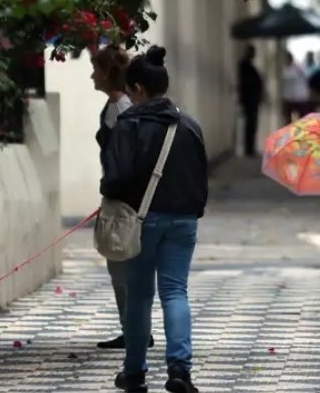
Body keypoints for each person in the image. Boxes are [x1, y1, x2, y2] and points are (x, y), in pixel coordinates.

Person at [101, 46, 208, 393]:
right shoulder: (189, 125)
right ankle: (179, 369)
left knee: (140, 295)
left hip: (142, 219)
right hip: (183, 219)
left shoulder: (128, 124)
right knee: (176, 291)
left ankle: (134, 371)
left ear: (136, 89)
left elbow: (115, 177)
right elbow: (201, 177)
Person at [91, 45, 154, 351]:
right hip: (124, 193)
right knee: (123, 265)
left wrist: (113, 190)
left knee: (121, 263)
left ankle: (136, 331)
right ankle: (134, 328)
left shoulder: (120, 107)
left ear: (107, 74)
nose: (92, 76)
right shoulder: (119, 104)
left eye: (96, 69)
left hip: (124, 196)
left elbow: (125, 157)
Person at [236, 45, 264, 158]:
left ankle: (250, 148)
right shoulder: (245, 66)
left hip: (252, 100)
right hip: (249, 100)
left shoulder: (249, 67)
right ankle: (249, 148)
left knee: (251, 124)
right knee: (250, 124)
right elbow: (245, 84)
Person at [281, 53, 311, 124]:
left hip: (300, 98)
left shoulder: (299, 67)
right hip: (288, 98)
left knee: (302, 119)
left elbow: (307, 76)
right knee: (287, 120)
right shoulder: (284, 69)